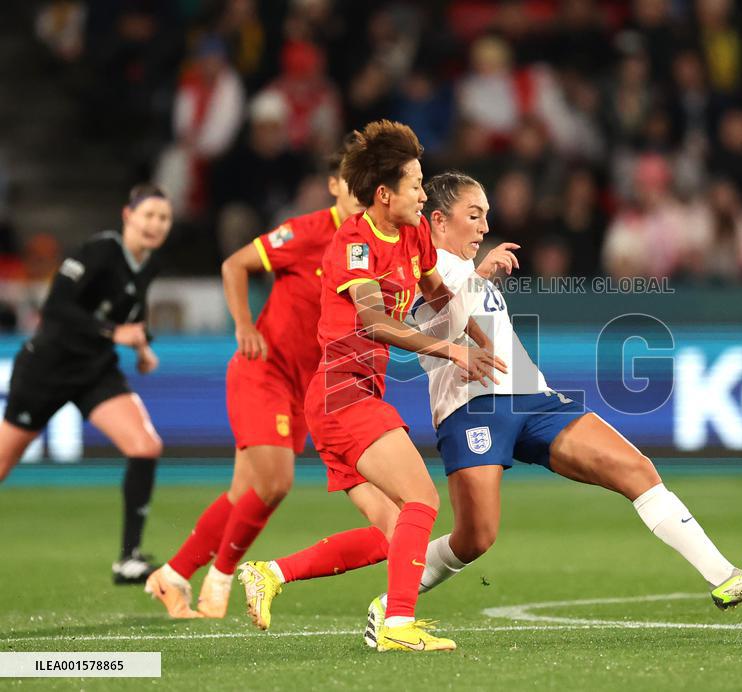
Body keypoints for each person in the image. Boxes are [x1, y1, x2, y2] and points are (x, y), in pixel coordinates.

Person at [361, 171, 742, 646]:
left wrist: (478, 275)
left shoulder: (464, 267)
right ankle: (393, 603)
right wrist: (477, 277)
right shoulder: (418, 267)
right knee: (475, 537)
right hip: (471, 410)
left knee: (635, 468)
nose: (484, 228)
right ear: (438, 220)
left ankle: (725, 576)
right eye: (474, 215)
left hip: (534, 399)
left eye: (487, 216)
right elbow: (440, 325)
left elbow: (467, 313)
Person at [237, 121, 503, 653]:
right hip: (341, 393)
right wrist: (451, 350)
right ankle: (397, 627)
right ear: (384, 194)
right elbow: (374, 322)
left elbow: (439, 298)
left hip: (354, 395)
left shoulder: (413, 235)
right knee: (422, 500)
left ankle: (270, 574)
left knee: (393, 534)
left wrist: (475, 337)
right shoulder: (353, 242)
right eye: (416, 185)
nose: (424, 194)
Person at [145, 140, 369, 619]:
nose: (360, 194)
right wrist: (244, 325)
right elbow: (234, 265)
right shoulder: (307, 232)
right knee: (276, 482)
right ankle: (222, 578)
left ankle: (172, 576)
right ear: (334, 187)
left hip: (305, 387)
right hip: (263, 369)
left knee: (243, 493)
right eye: (352, 184)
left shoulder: (366, 247)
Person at [0, 183, 171, 584]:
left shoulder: (149, 265)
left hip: (94, 370)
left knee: (146, 445)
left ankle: (128, 559)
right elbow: (55, 308)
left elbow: (131, 312)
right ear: (128, 216)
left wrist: (142, 346)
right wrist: (114, 333)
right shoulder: (99, 251)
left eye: (163, 218)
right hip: (47, 368)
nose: (156, 224)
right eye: (148, 215)